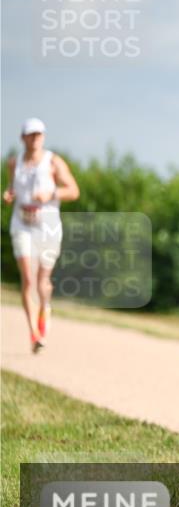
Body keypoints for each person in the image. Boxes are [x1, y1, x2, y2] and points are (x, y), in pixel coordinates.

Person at [4, 118, 80, 353]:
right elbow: (12, 188)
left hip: (47, 226)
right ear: (23, 137)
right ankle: (34, 333)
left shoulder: (53, 162)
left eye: (38, 134)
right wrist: (8, 194)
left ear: (43, 137)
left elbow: (74, 191)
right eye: (31, 134)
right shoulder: (14, 163)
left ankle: (45, 308)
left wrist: (51, 194)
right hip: (22, 224)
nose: (35, 138)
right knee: (28, 278)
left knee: (42, 282)